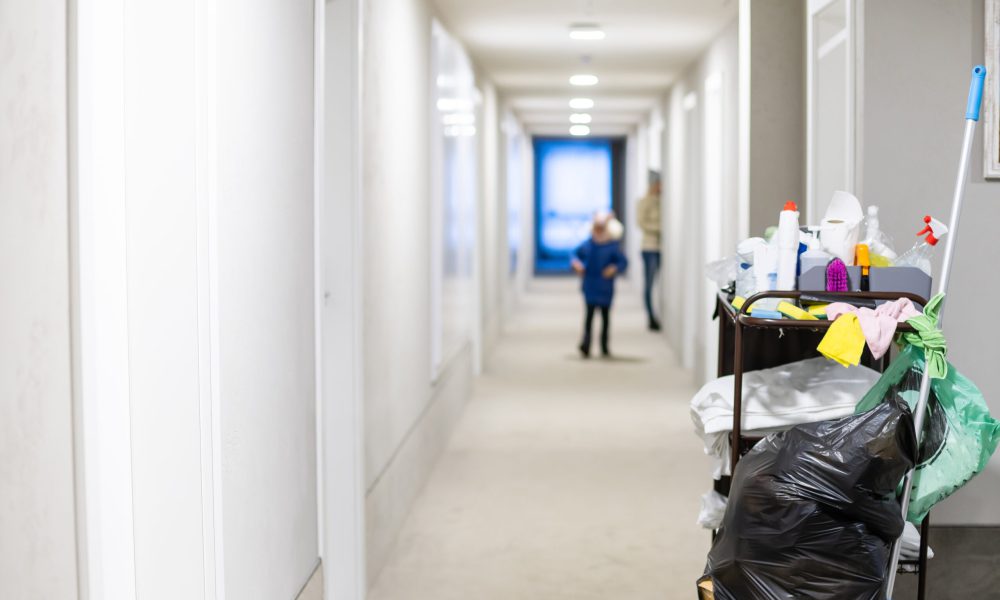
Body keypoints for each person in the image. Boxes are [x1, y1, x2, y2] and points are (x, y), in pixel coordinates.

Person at [571, 212, 628, 358]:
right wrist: (576, 264)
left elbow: (623, 262)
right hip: (590, 285)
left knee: (605, 318)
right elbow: (574, 256)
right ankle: (586, 344)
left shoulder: (612, 246)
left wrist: (614, 268)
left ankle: (604, 346)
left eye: (601, 228)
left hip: (605, 288)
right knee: (589, 317)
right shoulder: (587, 245)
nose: (598, 231)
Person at [637, 170, 662, 331]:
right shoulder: (644, 202)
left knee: (656, 283)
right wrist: (661, 228)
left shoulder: (662, 201)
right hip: (649, 247)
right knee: (649, 284)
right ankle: (650, 316)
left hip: (660, 247)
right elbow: (642, 223)